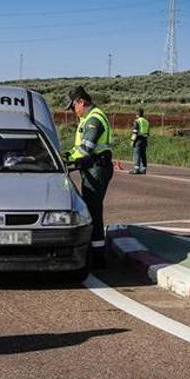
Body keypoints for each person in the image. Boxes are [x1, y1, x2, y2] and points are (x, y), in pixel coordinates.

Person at [64, 86, 114, 268]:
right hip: (92, 167)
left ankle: (98, 257)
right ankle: (96, 252)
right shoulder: (88, 118)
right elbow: (79, 149)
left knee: (93, 210)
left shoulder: (94, 119)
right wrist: (66, 155)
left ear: (81, 102)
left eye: (73, 106)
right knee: (91, 208)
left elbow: (85, 149)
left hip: (97, 167)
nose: (72, 111)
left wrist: (67, 159)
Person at [129, 109, 150, 174]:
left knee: (137, 154)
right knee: (143, 154)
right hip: (145, 140)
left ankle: (136, 169)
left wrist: (132, 141)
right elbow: (148, 132)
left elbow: (135, 132)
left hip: (138, 140)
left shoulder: (137, 121)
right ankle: (143, 169)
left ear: (137, 114)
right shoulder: (146, 121)